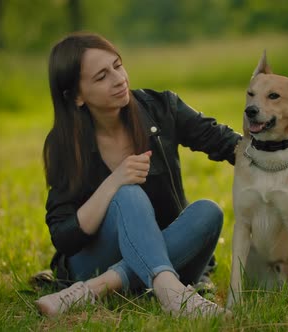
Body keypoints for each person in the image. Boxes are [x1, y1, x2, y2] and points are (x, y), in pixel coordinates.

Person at [35, 32, 241, 318]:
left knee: (209, 212)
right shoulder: (63, 143)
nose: (118, 79)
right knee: (128, 193)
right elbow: (64, 236)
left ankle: (98, 289)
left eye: (118, 66)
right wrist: (114, 182)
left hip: (162, 248)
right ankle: (173, 293)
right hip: (93, 260)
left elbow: (223, 141)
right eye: (101, 77)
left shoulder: (161, 108)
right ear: (76, 96)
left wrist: (279, 154)